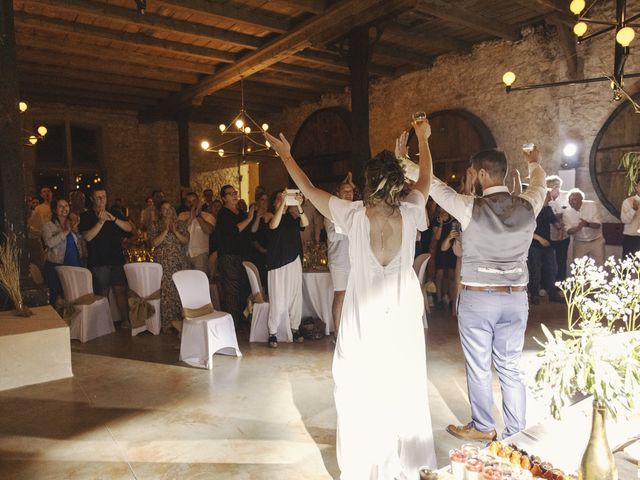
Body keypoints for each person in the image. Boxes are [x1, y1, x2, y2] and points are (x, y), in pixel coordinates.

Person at [265, 118, 436, 478]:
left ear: (370, 182)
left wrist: (286, 156)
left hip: (364, 318)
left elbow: (309, 190)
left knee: (359, 388)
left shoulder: (354, 215)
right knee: (402, 384)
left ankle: (365, 463)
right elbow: (424, 181)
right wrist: (422, 140)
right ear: (396, 182)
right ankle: (405, 460)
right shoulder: (412, 211)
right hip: (402, 315)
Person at [430, 145, 546, 441]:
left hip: (479, 297)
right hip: (516, 296)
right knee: (510, 366)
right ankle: (516, 432)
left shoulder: (469, 206)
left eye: (473, 172)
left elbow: (433, 185)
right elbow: (540, 184)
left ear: (482, 173)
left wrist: (405, 159)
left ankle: (483, 426)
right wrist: (534, 163)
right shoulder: (529, 204)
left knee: (479, 365)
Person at [79, 186, 134, 327]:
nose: (102, 199)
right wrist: (101, 221)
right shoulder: (86, 216)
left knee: (120, 290)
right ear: (92, 199)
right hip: (98, 260)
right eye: (98, 197)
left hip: (116, 258)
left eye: (104, 196)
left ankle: (125, 320)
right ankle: (104, 323)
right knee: (102, 292)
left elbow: (129, 228)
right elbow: (87, 237)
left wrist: (114, 219)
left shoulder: (115, 212)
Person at [266, 190, 309, 348]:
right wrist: (283, 203)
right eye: (278, 198)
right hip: (277, 262)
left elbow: (305, 223)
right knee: (277, 297)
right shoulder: (269, 215)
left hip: (294, 260)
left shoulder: (292, 217)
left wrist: (298, 205)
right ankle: (273, 332)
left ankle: (295, 328)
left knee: (295, 297)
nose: (282, 200)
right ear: (274, 202)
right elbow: (273, 225)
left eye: (284, 198)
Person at [212, 185, 255, 327]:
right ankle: (232, 324)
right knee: (232, 291)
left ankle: (243, 320)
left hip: (243, 255)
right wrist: (249, 219)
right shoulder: (223, 214)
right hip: (229, 256)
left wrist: (255, 217)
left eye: (235, 192)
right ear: (224, 198)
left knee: (244, 288)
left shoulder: (242, 213)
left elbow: (250, 232)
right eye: (230, 194)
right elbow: (232, 232)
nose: (234, 195)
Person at [149, 200, 189, 333]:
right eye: (164, 209)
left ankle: (181, 323)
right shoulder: (155, 225)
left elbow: (185, 241)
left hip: (179, 262)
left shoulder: (181, 224)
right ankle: (167, 324)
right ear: (160, 212)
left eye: (169, 208)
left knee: (179, 292)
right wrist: (166, 230)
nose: (167, 211)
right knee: (166, 293)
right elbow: (154, 243)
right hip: (163, 264)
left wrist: (175, 231)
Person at [324, 178, 354, 337]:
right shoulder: (330, 213)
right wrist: (352, 227)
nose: (349, 194)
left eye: (351, 191)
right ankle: (337, 333)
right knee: (340, 295)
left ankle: (352, 330)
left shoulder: (357, 210)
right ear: (338, 194)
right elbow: (333, 235)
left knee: (356, 295)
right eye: (345, 191)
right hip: (338, 261)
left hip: (355, 260)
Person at [42, 198, 83, 305]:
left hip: (73, 263)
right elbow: (49, 243)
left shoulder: (72, 223)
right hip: (56, 264)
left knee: (73, 295)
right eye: (61, 206)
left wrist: (75, 230)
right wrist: (66, 231)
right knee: (55, 296)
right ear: (55, 209)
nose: (64, 209)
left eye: (66, 206)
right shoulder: (48, 225)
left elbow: (78, 243)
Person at [528, 190, 563, 304]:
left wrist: (558, 226)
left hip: (547, 244)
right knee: (535, 270)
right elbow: (527, 230)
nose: (551, 198)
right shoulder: (533, 210)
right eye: (548, 196)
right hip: (535, 245)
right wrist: (540, 239)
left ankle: (552, 294)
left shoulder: (548, 209)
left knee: (551, 268)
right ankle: (534, 295)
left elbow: (553, 220)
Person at [564, 188, 605, 266]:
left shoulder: (592, 205)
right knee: (578, 268)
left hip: (596, 241)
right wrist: (578, 228)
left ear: (581, 199)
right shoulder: (567, 212)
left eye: (574, 199)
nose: (572, 202)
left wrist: (587, 224)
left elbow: (598, 225)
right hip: (579, 242)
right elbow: (568, 231)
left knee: (600, 266)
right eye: (570, 200)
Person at [178, 192, 215, 274]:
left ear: (198, 202)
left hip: (200, 254)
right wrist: (191, 217)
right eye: (189, 201)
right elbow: (179, 230)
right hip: (184, 254)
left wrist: (198, 216)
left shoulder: (208, 216)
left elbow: (208, 231)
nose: (192, 204)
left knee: (200, 282)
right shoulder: (182, 215)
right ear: (186, 203)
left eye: (194, 201)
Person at [546, 175, 570, 281]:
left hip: (563, 234)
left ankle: (561, 284)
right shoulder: (544, 197)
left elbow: (569, 213)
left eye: (555, 186)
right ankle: (546, 285)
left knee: (561, 260)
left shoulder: (566, 197)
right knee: (547, 261)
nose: (550, 189)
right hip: (547, 234)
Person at [250, 191, 272, 292]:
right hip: (258, 251)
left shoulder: (272, 214)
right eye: (262, 199)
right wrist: (258, 217)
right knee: (260, 279)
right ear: (258, 201)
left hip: (270, 250)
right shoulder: (253, 215)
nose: (265, 202)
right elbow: (253, 233)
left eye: (267, 200)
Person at [620, 180, 640, 258]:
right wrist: (633, 209)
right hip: (631, 238)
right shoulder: (628, 202)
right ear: (636, 188)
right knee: (628, 266)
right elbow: (624, 220)